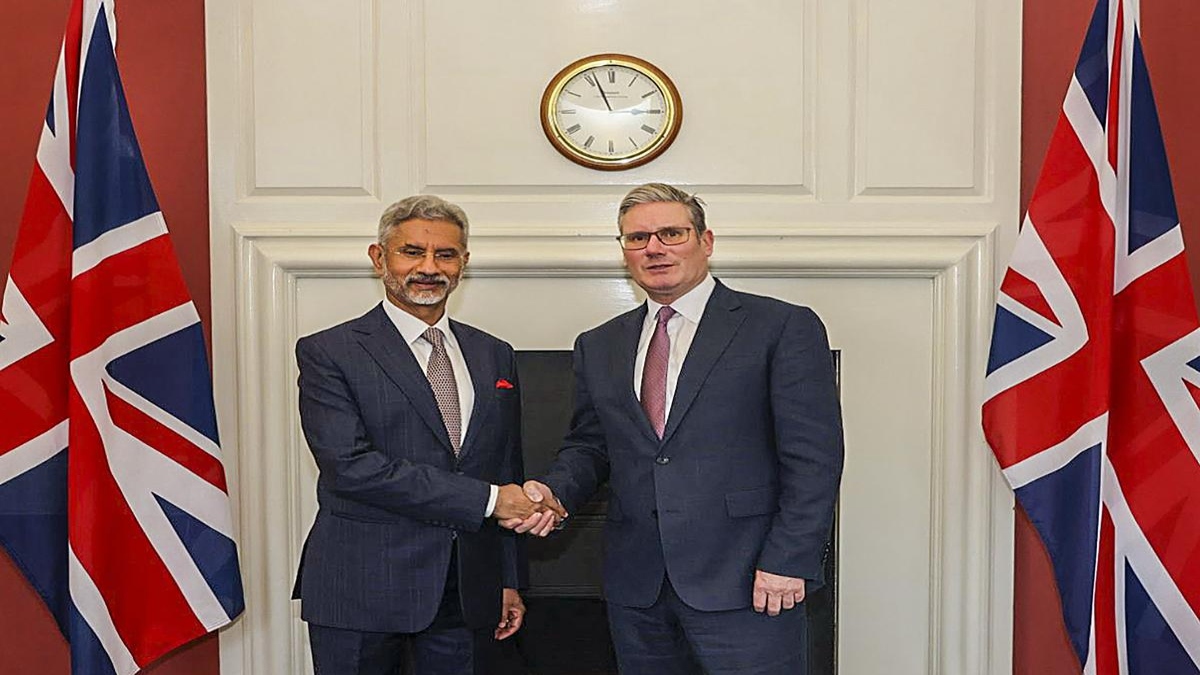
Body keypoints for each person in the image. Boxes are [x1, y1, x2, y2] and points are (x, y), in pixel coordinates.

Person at [506, 183, 844, 674]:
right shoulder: (599, 344)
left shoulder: (779, 327)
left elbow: (814, 457)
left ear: (705, 241)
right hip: (637, 587)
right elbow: (591, 446)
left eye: (671, 233)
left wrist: (790, 559)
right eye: (637, 238)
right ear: (624, 251)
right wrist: (554, 493)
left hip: (751, 579)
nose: (654, 248)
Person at [293, 195, 565, 675]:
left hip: (466, 590)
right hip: (362, 586)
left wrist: (506, 579)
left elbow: (505, 465)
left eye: (446, 254)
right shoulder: (329, 352)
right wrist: (487, 500)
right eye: (411, 252)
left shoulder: (493, 353)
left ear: (464, 263)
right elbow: (350, 468)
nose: (428, 267)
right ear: (379, 258)